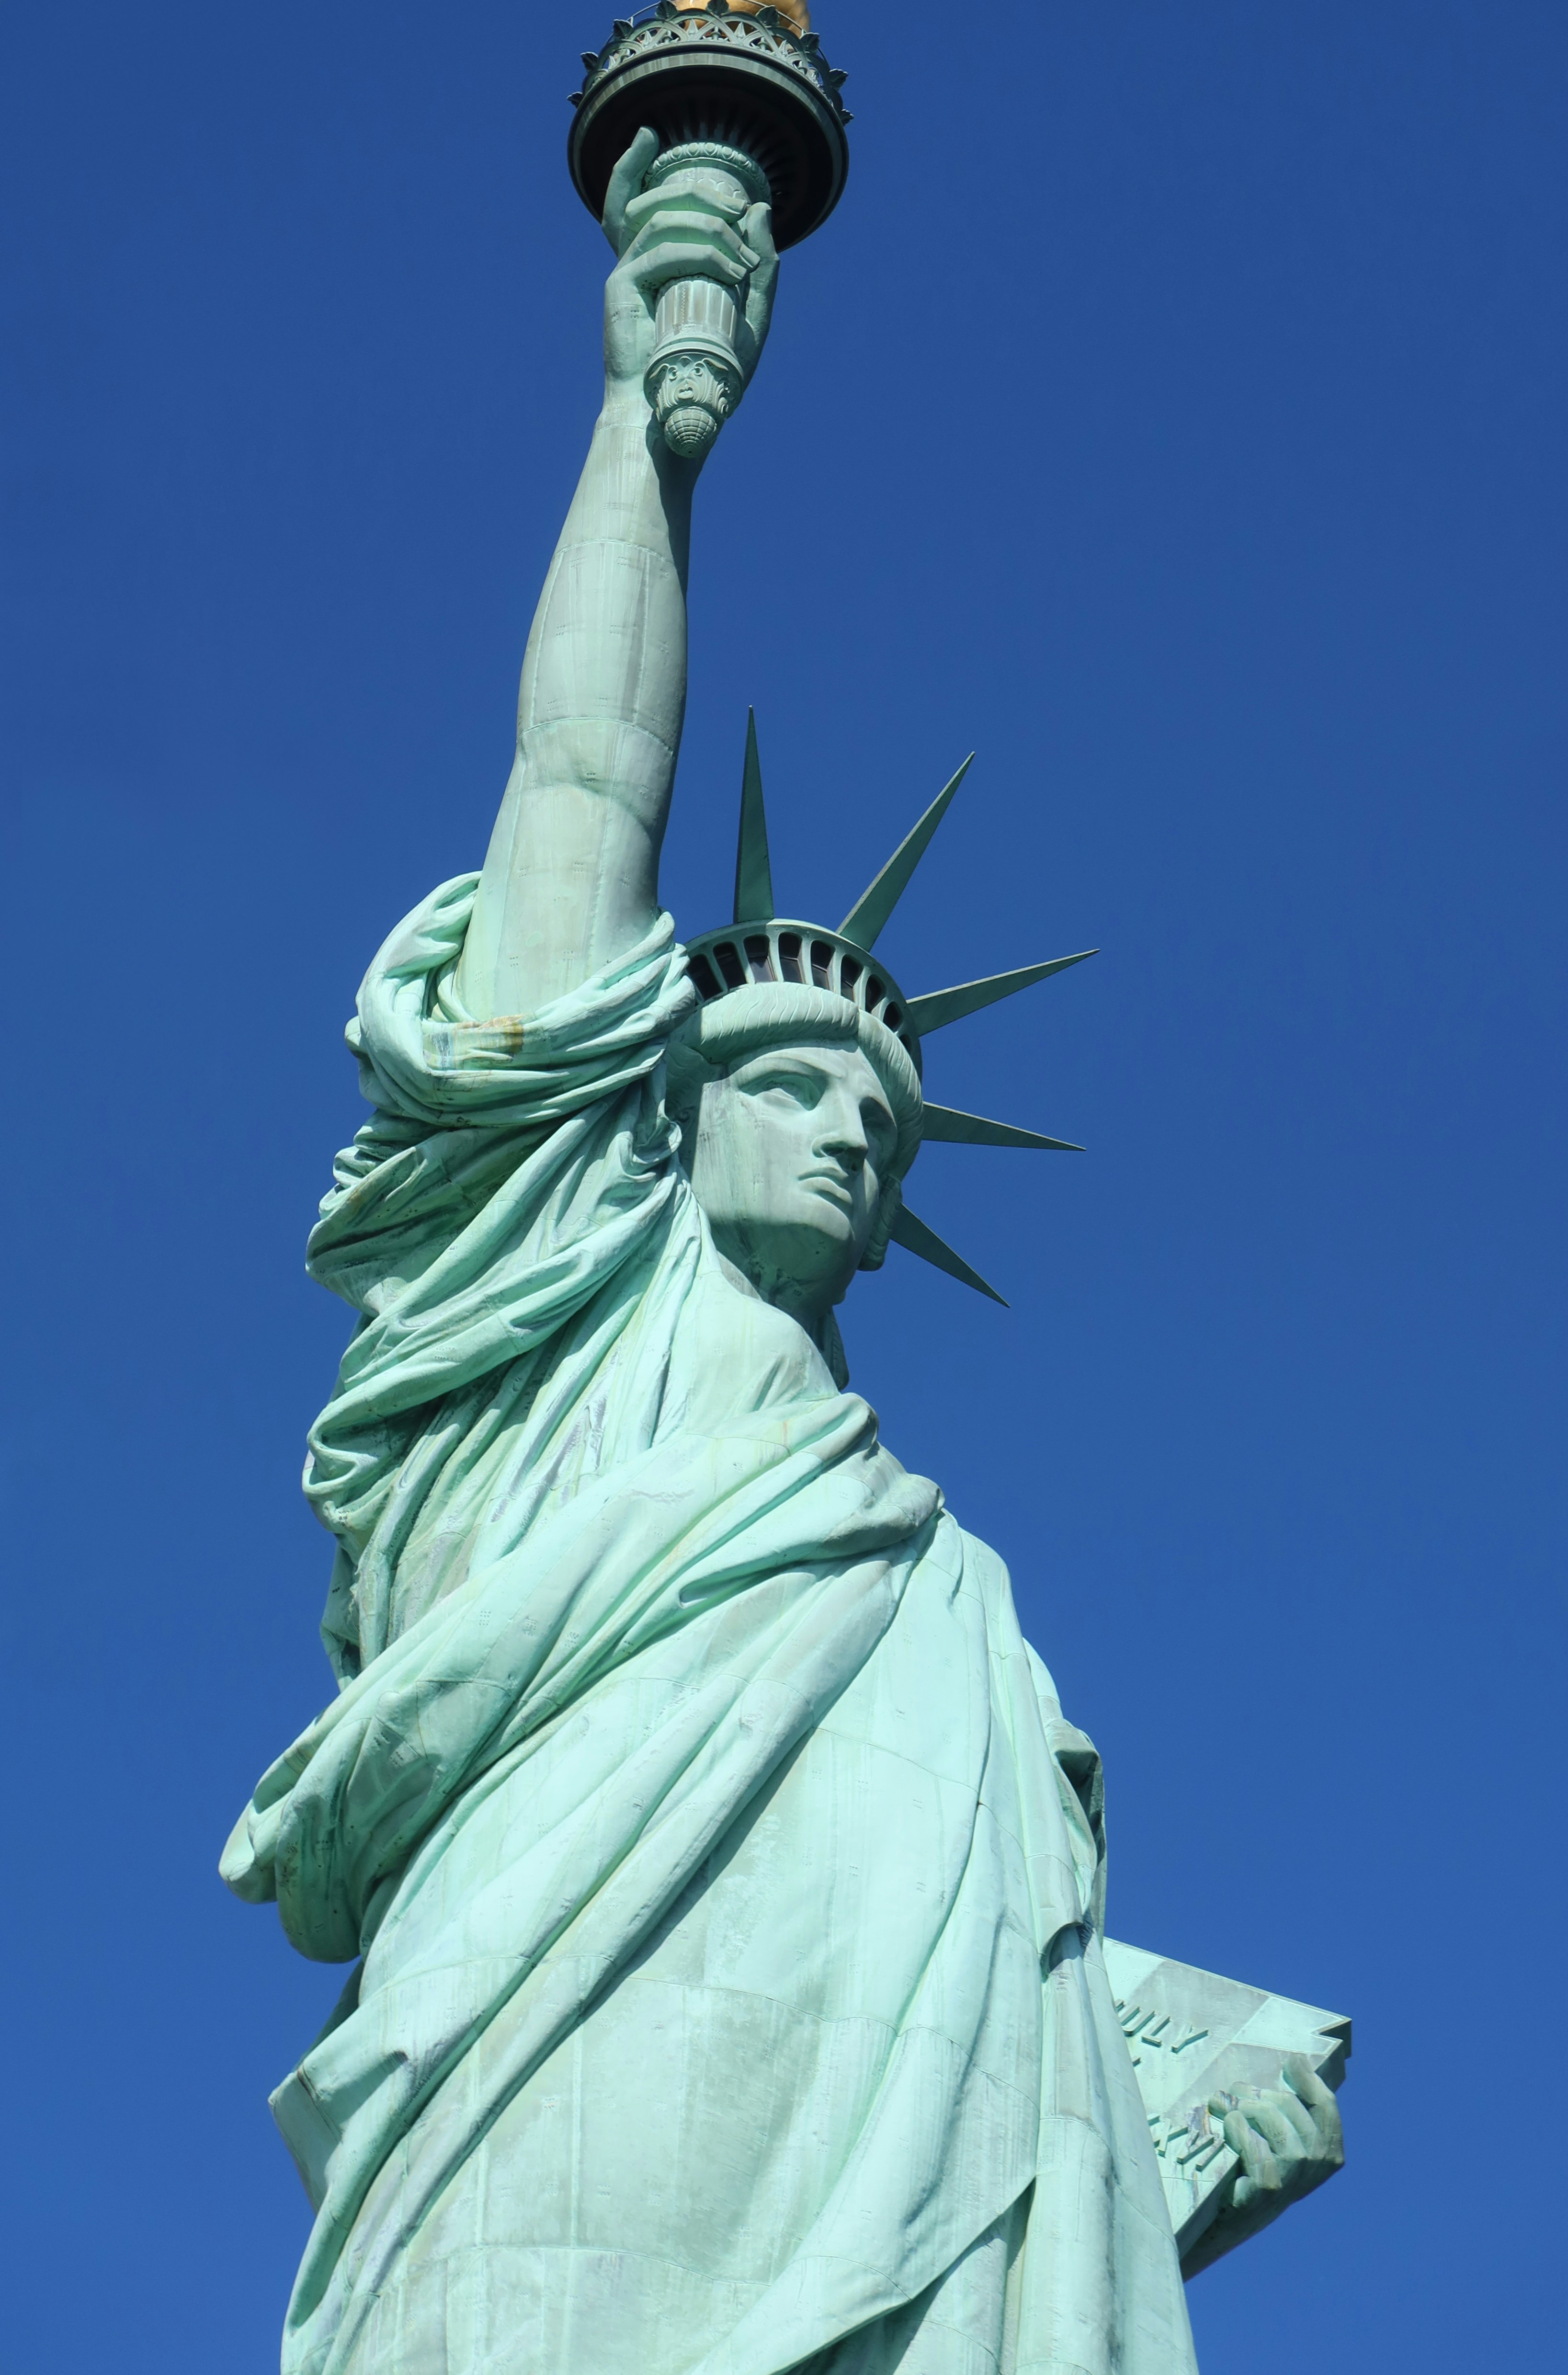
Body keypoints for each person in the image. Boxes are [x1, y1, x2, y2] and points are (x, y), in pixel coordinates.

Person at [224, 128, 1341, 2375]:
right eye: (797, 1085)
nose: (850, 1127)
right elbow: (576, 788)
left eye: (886, 1117)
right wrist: (655, 402)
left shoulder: (925, 1568)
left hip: (900, 2166)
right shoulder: (543, 1310)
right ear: (649, 1100)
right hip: (553, 2081)